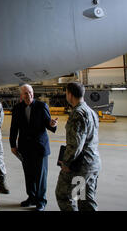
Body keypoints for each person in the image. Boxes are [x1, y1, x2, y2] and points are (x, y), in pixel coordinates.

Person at [10, 84, 58, 211]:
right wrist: (12, 145)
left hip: (40, 147)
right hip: (25, 147)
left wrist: (52, 124)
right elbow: (13, 128)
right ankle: (31, 197)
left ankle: (41, 200)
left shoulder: (42, 106)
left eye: (30, 92)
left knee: (41, 175)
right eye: (25, 93)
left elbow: (49, 124)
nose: (29, 95)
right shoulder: (17, 108)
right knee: (29, 174)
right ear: (21, 95)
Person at [56, 82, 101, 211]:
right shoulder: (91, 111)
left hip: (79, 167)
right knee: (84, 199)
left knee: (64, 196)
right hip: (92, 163)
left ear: (70, 94)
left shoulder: (77, 113)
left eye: (66, 93)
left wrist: (66, 163)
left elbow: (75, 145)